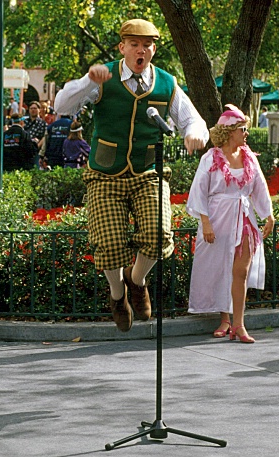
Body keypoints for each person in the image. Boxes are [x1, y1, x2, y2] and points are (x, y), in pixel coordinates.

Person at [54, 18, 209, 332]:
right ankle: (117, 295)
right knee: (109, 244)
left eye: (147, 45)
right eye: (134, 44)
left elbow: (194, 120)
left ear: (153, 49)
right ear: (122, 47)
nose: (141, 50)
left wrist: (194, 133)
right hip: (105, 175)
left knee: (158, 235)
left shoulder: (166, 83)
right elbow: (61, 105)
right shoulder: (104, 77)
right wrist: (87, 80)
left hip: (147, 173)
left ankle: (136, 282)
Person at [186, 104, 275, 344]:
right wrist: (205, 222)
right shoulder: (210, 158)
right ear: (229, 131)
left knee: (240, 271)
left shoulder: (249, 158)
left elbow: (259, 187)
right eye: (242, 129)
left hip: (243, 218)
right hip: (216, 218)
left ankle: (239, 324)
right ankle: (224, 319)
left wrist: (268, 215)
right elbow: (198, 191)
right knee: (220, 268)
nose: (246, 133)